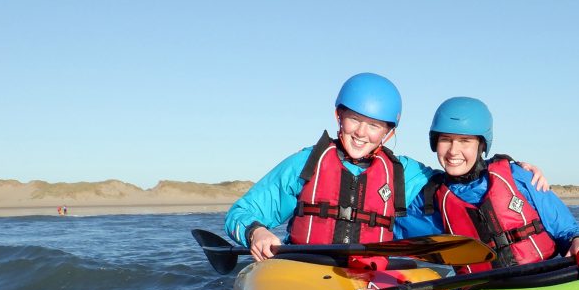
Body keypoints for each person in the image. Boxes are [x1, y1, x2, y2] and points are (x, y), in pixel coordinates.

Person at [225, 73, 547, 261]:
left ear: (389, 133)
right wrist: (257, 231)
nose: (362, 133)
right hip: (304, 269)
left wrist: (507, 169)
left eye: (375, 126)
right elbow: (241, 213)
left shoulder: (403, 173)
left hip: (369, 277)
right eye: (355, 119)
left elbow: (461, 175)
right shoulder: (306, 164)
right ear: (339, 116)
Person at [400, 97, 579, 273]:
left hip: (542, 281)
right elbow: (384, 225)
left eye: (465, 141)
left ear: (482, 145)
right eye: (445, 140)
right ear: (435, 142)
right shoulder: (428, 201)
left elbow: (568, 230)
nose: (453, 151)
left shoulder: (518, 177)